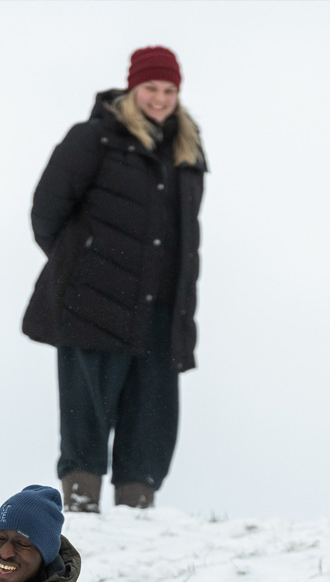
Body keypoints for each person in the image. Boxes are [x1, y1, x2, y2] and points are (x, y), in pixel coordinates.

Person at [23, 45, 208, 513]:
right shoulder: (94, 138)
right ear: (132, 88)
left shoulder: (187, 151)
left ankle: (135, 513)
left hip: (161, 310)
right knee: (85, 411)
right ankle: (81, 508)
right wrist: (80, 270)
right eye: (151, 88)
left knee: (151, 416)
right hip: (94, 304)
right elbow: (47, 211)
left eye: (169, 90)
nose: (160, 99)